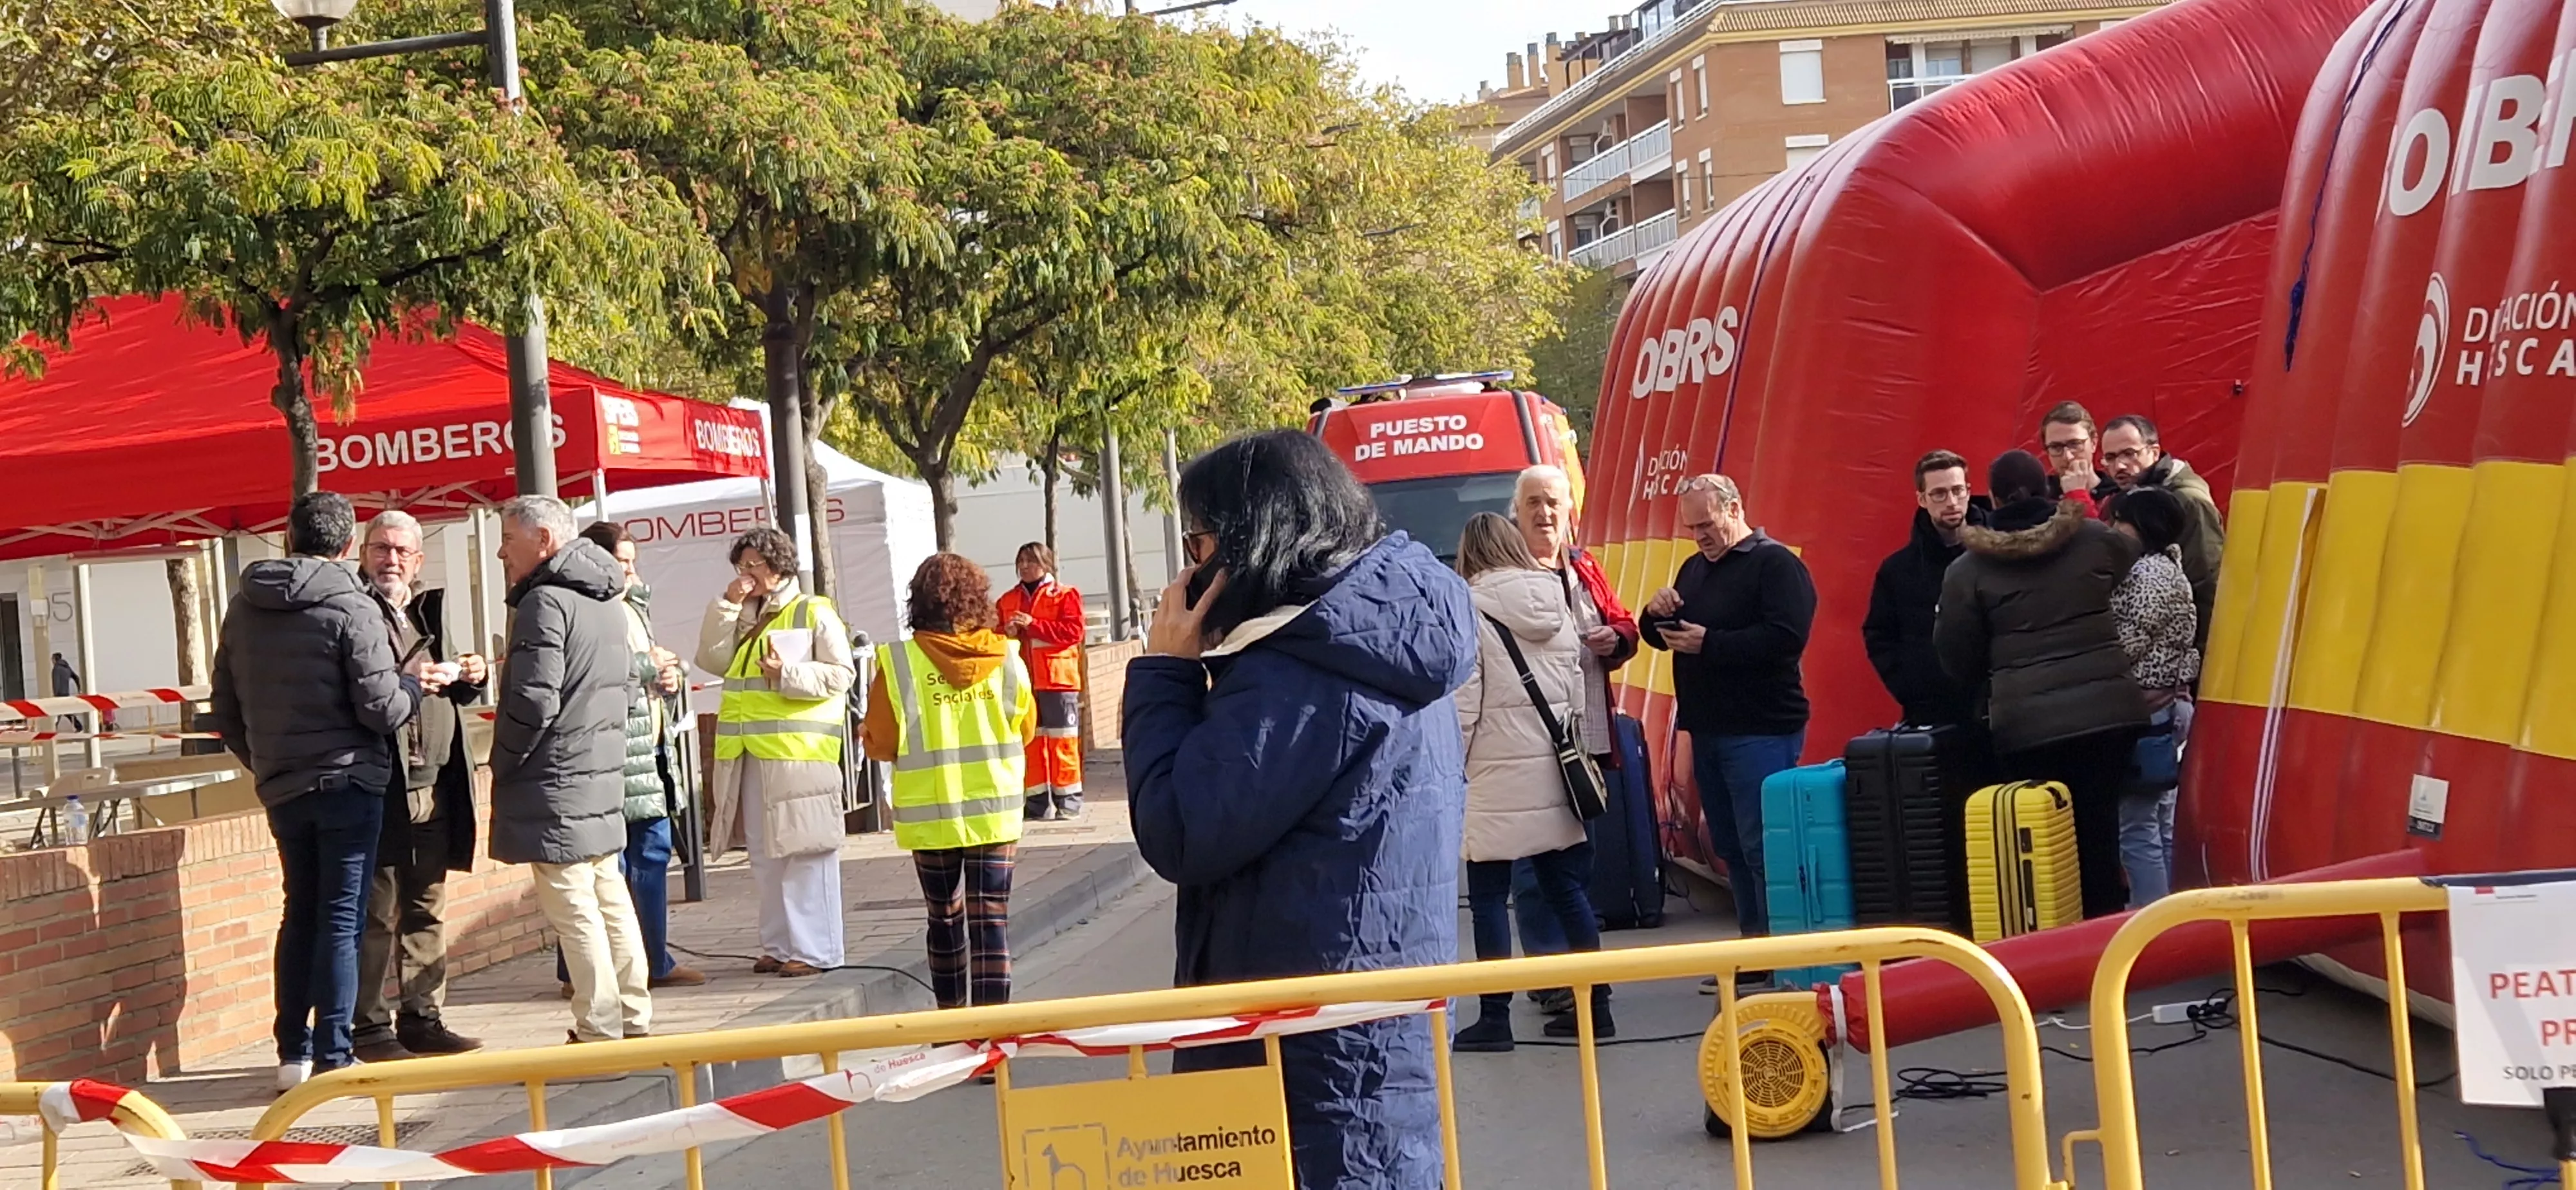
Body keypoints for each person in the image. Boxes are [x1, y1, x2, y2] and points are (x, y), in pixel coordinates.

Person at [1123, 428, 1475, 1190]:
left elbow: (1180, 827)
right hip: (1363, 1028)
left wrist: (1163, 674)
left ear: (1252, 541)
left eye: (1200, 540)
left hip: (1304, 1050)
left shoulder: (1302, 673)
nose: (1190, 567)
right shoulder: (1375, 640)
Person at [202, 491, 427, 1090]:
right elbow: (381, 708)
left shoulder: (243, 607)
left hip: (284, 784)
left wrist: (267, 762)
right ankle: (333, 1051)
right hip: (349, 779)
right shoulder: (353, 605)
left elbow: (223, 705)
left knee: (297, 912)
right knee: (341, 917)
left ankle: (291, 1052)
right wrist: (414, 687)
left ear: (287, 536)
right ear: (350, 545)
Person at [1936, 451, 2150, 919]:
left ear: (1989, 498)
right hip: (2108, 714)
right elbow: (2130, 556)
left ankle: (2055, 951)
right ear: (2048, 489)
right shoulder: (2093, 538)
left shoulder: (1967, 571)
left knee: (2041, 845)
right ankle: (2110, 949)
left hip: (2027, 725)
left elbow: (1956, 653)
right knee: (2100, 835)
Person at [1640, 474, 1816, 992]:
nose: (1700, 536)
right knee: (1733, 846)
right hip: (1710, 729)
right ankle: (1755, 946)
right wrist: (1655, 616)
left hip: (1761, 727)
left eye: (1707, 523)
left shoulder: (1776, 565)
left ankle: (1786, 952)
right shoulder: (1695, 569)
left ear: (1734, 508)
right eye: (1691, 527)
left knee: (1766, 845)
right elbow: (1663, 637)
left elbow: (1787, 639)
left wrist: (1711, 645)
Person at [489, 495, 652, 1044]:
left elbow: (534, 701)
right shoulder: (609, 601)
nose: (501, 554)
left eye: (509, 540)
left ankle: (598, 1025)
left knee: (576, 909)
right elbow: (629, 687)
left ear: (544, 540)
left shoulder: (546, 604)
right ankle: (632, 1013)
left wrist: (504, 759)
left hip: (554, 777)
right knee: (609, 897)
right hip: (599, 774)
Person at [1449, 513, 1613, 1053]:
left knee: (1491, 898)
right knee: (1566, 889)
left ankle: (1494, 1018)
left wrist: (1454, 765)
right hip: (1554, 767)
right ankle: (1596, 1008)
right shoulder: (1557, 598)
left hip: (1495, 776)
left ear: (1470, 553)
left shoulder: (1469, 610)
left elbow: (1465, 706)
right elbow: (1576, 687)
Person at [862, 554, 1034, 1010]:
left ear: (918, 602)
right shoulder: (1008, 658)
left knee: (944, 917)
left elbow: (879, 741)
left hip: (930, 812)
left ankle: (952, 1028)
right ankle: (992, 1034)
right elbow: (1027, 728)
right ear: (978, 599)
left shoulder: (900, 663)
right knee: (990, 918)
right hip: (994, 810)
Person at [350, 511, 489, 1064]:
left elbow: (452, 691)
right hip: (383, 784)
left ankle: (423, 1017)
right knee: (377, 913)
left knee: (426, 907)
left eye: (402, 552)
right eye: (381, 549)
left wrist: (470, 674)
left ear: (418, 560)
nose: (391, 560)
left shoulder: (426, 610)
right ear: (363, 552)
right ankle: (368, 1026)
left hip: (434, 782)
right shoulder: (355, 611)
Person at [1502, 464, 1640, 1015]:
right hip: (1526, 741)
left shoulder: (1584, 567)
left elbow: (1624, 623)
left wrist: (1617, 639)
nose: (1544, 514)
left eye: (1553, 503)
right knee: (1533, 866)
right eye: (1533, 503)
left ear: (1569, 512)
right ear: (1517, 512)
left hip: (1587, 736)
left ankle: (1578, 972)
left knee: (1578, 857)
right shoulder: (1504, 574)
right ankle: (1549, 975)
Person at [553, 522, 706, 998]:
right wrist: (647, 668)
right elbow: (596, 673)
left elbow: (644, 670)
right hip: (613, 753)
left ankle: (654, 959)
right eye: (623, 561)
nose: (632, 570)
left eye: (634, 561)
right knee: (606, 867)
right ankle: (587, 972)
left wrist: (669, 676)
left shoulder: (632, 607)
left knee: (650, 857)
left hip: (648, 747)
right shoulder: (589, 609)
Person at [697, 526, 857, 979]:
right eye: (741, 566)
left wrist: (789, 674)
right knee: (765, 854)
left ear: (779, 565)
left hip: (799, 750)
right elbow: (711, 661)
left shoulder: (813, 610)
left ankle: (816, 950)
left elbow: (841, 674)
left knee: (804, 850)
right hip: (751, 748)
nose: (747, 575)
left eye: (754, 565)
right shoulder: (743, 612)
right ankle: (779, 944)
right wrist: (727, 605)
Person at [2103, 488, 2201, 908]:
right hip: (2172, 706)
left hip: (2145, 712)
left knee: (2137, 826)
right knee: (2161, 821)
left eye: (2120, 519)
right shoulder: (2171, 568)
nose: (2114, 529)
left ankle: (2148, 919)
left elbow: (2124, 645)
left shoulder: (2142, 577)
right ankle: (2169, 913)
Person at [1861, 450, 1989, 729]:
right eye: (1939, 494)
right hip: (1931, 716)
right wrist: (1912, 689)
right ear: (1922, 499)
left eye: (1957, 491)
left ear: (1968, 491)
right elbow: (1879, 635)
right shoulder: (1898, 570)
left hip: (1997, 710)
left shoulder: (1997, 553)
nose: (1952, 502)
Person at [2099, 414, 2225, 650]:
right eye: (2111, 458)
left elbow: (2207, 580)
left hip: (2179, 655)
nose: (2120, 466)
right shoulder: (2131, 495)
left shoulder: (2188, 500)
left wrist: (2200, 655)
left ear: (2154, 452)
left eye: (2129, 454)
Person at [996, 542, 1086, 821]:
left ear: (1046, 564)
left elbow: (1074, 631)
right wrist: (1007, 631)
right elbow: (994, 637)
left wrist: (1033, 624)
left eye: (1030, 561)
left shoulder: (1065, 595)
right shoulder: (1007, 600)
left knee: (1063, 743)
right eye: (1020, 561)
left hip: (1058, 680)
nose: (1024, 566)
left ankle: (1068, 801)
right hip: (1022, 681)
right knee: (1030, 743)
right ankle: (1036, 802)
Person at [2039, 401, 2105, 516]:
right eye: (2056, 447)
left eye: (2075, 444)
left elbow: (2100, 534)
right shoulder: (2039, 497)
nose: (2068, 456)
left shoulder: (2117, 493)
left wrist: (2077, 494)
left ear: (2094, 443)